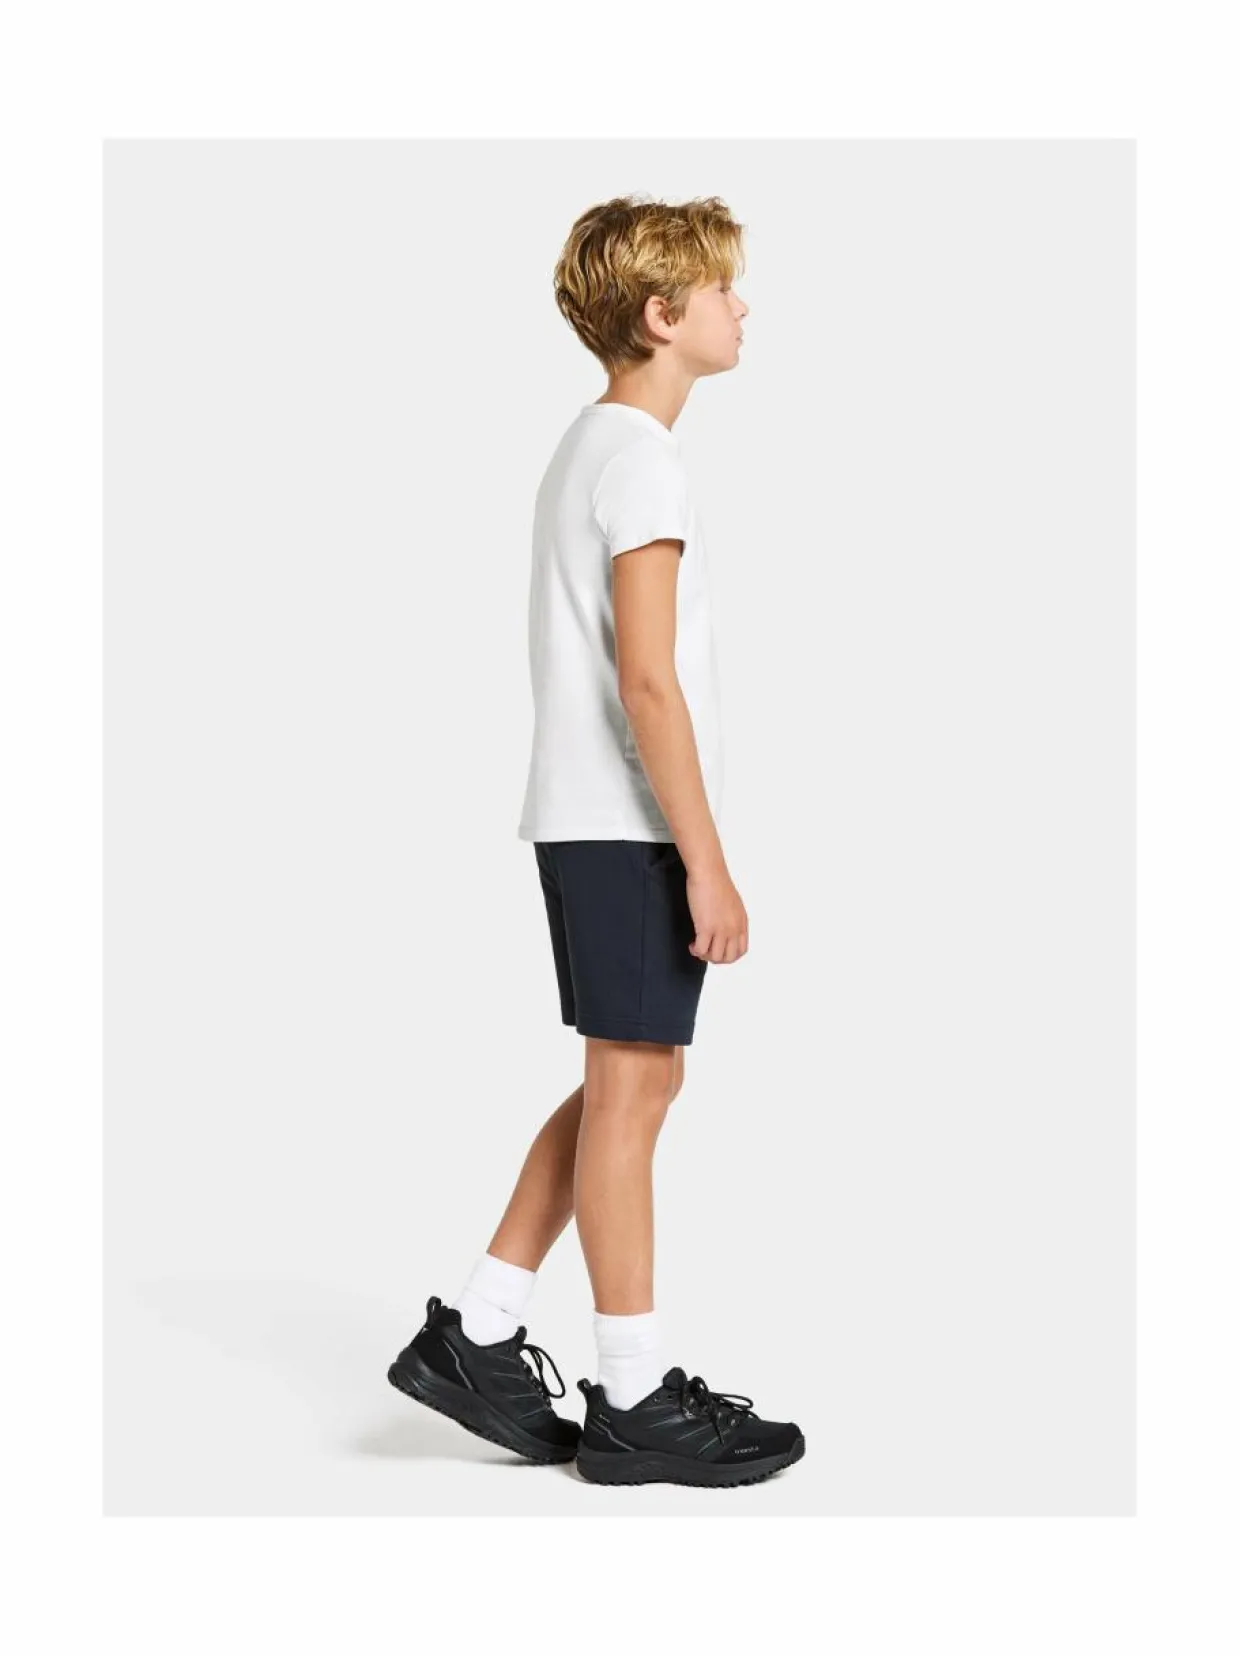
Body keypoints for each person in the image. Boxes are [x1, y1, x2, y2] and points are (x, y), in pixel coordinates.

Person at [388, 194, 805, 1487]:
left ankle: (480, 1327)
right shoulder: (644, 463)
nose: (744, 307)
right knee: (633, 1094)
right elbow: (649, 682)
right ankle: (631, 1398)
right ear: (662, 316)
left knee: (634, 1086)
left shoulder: (594, 446)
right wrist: (708, 861)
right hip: (626, 828)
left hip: (594, 823)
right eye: (724, 290)